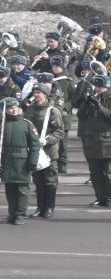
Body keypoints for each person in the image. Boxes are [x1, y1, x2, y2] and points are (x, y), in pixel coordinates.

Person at [75, 77, 111, 208]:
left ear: (107, 87)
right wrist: (86, 102)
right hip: (91, 140)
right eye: (96, 86)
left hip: (108, 141)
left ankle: (108, 197)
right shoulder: (93, 98)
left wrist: (100, 108)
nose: (98, 89)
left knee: (108, 172)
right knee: (95, 172)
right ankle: (99, 197)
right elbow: (80, 115)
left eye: (100, 87)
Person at [22, 91, 64, 219]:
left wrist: (47, 140)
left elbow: (59, 132)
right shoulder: (30, 108)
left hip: (48, 151)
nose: (36, 95)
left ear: (45, 94)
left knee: (50, 179)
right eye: (35, 93)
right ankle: (40, 207)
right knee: (38, 180)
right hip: (34, 150)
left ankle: (49, 207)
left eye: (39, 93)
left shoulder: (52, 111)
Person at [0, 95, 32, 225]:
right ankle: (12, 213)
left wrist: (33, 161)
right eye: (9, 108)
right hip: (6, 160)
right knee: (10, 189)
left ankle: (20, 214)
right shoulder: (2, 125)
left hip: (22, 161)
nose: (13, 110)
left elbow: (34, 145)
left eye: (15, 107)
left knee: (22, 189)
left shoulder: (26, 124)